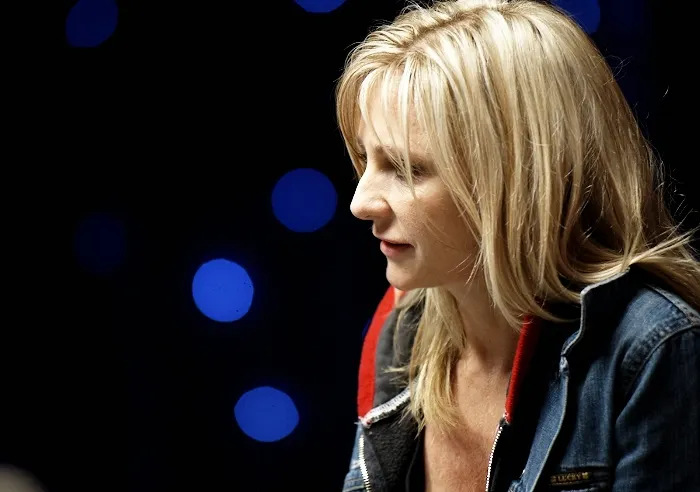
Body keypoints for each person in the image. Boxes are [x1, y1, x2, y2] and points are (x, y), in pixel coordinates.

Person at [334, 0, 700, 491]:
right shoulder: (403, 329)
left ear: (518, 180)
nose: (360, 203)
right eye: (366, 158)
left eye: (405, 168)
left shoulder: (653, 349)